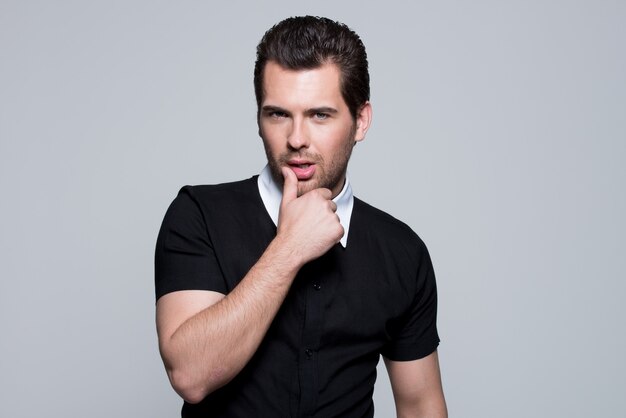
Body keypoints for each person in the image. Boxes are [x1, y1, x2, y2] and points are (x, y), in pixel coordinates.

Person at [155, 16, 447, 417]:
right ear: (259, 118)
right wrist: (290, 247)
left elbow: (420, 404)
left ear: (360, 121)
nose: (296, 139)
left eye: (319, 115)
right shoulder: (199, 216)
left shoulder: (401, 251)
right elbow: (190, 374)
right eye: (278, 114)